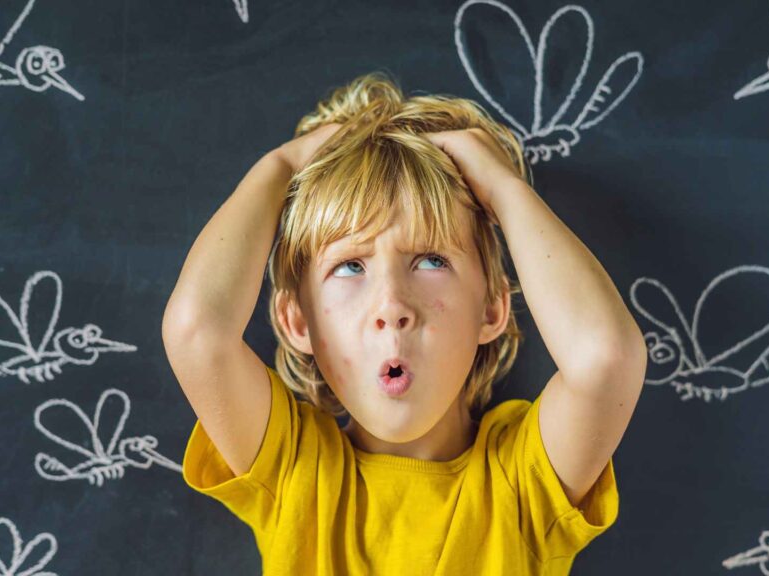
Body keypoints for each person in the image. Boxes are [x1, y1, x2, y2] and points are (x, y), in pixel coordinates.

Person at [162, 70, 647, 575]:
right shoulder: (295, 469)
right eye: (350, 267)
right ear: (297, 321)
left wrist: (502, 188)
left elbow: (605, 358)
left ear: (490, 308)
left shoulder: (522, 482)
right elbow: (197, 330)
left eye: (431, 261)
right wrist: (279, 164)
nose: (391, 305)